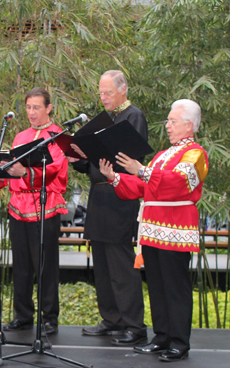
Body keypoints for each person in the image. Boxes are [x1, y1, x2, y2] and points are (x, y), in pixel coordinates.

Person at [99, 99, 207, 362]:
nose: (167, 126)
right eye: (168, 120)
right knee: (157, 287)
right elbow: (141, 187)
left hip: (176, 230)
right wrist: (115, 177)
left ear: (189, 125)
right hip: (153, 230)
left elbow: (178, 183)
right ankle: (161, 338)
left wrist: (142, 171)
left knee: (175, 288)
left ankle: (179, 342)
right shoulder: (162, 155)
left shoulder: (196, 154)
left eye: (173, 121)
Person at [69, 70, 148, 346]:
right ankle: (111, 318)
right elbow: (93, 162)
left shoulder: (133, 116)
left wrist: (101, 154)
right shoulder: (106, 119)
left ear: (123, 90)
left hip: (120, 194)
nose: (103, 98)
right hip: (99, 195)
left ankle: (133, 324)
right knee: (101, 263)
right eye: (101, 93)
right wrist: (79, 156)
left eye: (108, 93)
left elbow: (131, 156)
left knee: (121, 264)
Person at [2, 87, 68, 336]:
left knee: (45, 265)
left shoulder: (57, 136)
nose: (31, 112)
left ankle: (50, 316)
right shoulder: (20, 135)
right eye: (28, 107)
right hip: (18, 205)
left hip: (45, 205)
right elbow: (11, 166)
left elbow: (55, 168)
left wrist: (25, 173)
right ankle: (23, 314)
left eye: (36, 107)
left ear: (48, 108)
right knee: (20, 264)